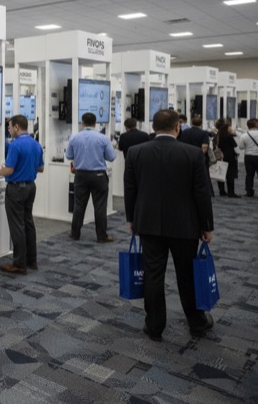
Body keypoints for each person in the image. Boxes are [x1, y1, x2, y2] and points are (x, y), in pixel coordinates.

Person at [124, 109, 215, 341]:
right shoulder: (193, 154)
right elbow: (202, 193)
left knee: (153, 274)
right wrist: (207, 226)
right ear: (178, 127)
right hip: (185, 225)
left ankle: (154, 326)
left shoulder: (135, 152)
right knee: (187, 275)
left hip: (148, 223)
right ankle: (196, 322)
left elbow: (130, 189)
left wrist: (131, 219)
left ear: (153, 128)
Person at [0, 115, 44, 275]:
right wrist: (27, 167)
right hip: (31, 187)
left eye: (9, 127)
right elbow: (41, 168)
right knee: (28, 222)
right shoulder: (36, 144)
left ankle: (19, 263)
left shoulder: (15, 145)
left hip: (16, 189)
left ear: (16, 127)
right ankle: (31, 260)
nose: (8, 130)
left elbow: (9, 170)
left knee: (17, 226)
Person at [65, 112, 117, 243]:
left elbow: (69, 156)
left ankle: (75, 233)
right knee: (100, 206)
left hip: (80, 175)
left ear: (82, 123)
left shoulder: (74, 138)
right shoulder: (103, 138)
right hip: (98, 175)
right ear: (95, 123)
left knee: (78, 205)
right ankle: (101, 236)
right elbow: (111, 157)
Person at [217, 119, 240, 198]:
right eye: (230, 127)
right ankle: (231, 192)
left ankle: (222, 190)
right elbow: (235, 146)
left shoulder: (219, 136)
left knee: (221, 174)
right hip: (230, 157)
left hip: (221, 156)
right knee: (230, 175)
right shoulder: (229, 136)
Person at [239, 118, 258, 197]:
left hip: (248, 156)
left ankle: (249, 191)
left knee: (249, 175)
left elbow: (241, 147)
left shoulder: (244, 135)